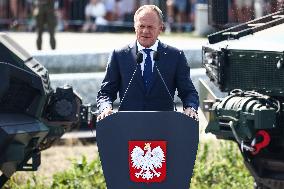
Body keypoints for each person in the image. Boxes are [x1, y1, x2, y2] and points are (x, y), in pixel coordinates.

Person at [96, 4, 199, 121]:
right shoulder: (119, 55)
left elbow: (188, 92)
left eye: (150, 27)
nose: (145, 31)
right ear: (135, 27)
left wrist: (190, 107)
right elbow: (105, 92)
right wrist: (105, 108)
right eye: (141, 26)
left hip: (164, 126)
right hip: (128, 125)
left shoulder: (175, 55)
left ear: (160, 28)